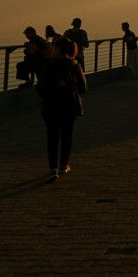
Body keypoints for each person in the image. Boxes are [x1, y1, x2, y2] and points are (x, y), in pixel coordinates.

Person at [38, 37, 86, 182]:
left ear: (57, 49)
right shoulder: (74, 65)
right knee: (67, 135)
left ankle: (53, 169)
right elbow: (83, 88)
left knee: (52, 137)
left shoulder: (48, 66)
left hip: (51, 107)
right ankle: (64, 165)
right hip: (69, 106)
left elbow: (40, 89)